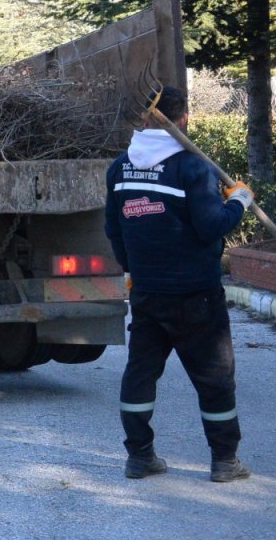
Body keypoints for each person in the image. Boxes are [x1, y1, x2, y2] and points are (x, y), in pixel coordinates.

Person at [104, 86, 253, 482]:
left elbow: (113, 231)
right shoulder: (192, 168)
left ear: (144, 122)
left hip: (148, 294)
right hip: (196, 297)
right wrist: (237, 200)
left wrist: (133, 267)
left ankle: (139, 457)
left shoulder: (120, 169)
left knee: (140, 374)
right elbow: (212, 228)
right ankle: (225, 461)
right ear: (182, 119)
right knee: (215, 379)